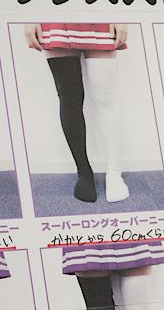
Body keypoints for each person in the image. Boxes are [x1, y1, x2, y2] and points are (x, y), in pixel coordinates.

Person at [25, 22, 129, 202]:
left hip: (98, 12)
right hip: (54, 17)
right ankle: (83, 171)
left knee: (105, 96)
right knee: (69, 96)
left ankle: (114, 171)